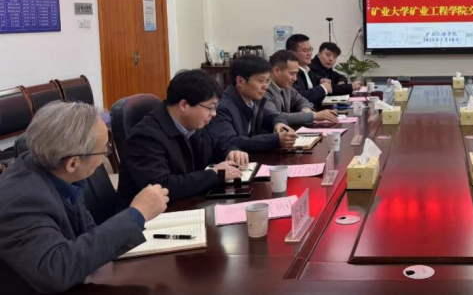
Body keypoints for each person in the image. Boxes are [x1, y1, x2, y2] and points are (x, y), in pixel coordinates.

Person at [0, 102, 169, 294]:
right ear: (73, 162)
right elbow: (56, 271)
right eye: (104, 150)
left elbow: (87, 232)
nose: (106, 155)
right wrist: (136, 214)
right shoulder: (21, 201)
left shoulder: (58, 170)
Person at [118, 70, 250, 206]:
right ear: (184, 105)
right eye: (210, 108)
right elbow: (161, 186)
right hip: (151, 214)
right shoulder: (144, 137)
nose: (214, 114)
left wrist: (230, 151)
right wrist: (215, 175)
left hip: (188, 201)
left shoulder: (193, 123)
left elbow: (214, 145)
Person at [205, 55, 297, 153]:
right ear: (240, 81)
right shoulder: (222, 107)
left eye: (267, 81)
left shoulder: (253, 100)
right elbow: (230, 142)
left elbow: (273, 115)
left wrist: (279, 124)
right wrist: (275, 140)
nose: (266, 87)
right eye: (261, 81)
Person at [266, 50, 339, 128]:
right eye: (292, 74)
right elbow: (276, 116)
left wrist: (306, 109)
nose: (295, 79)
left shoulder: (286, 87)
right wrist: (313, 116)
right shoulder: (264, 89)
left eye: (296, 74)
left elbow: (301, 100)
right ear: (277, 70)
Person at [287, 34, 331, 107]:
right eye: (305, 51)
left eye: (310, 49)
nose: (310, 53)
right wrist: (323, 88)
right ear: (292, 53)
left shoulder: (307, 70)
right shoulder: (291, 74)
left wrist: (322, 81)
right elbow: (299, 98)